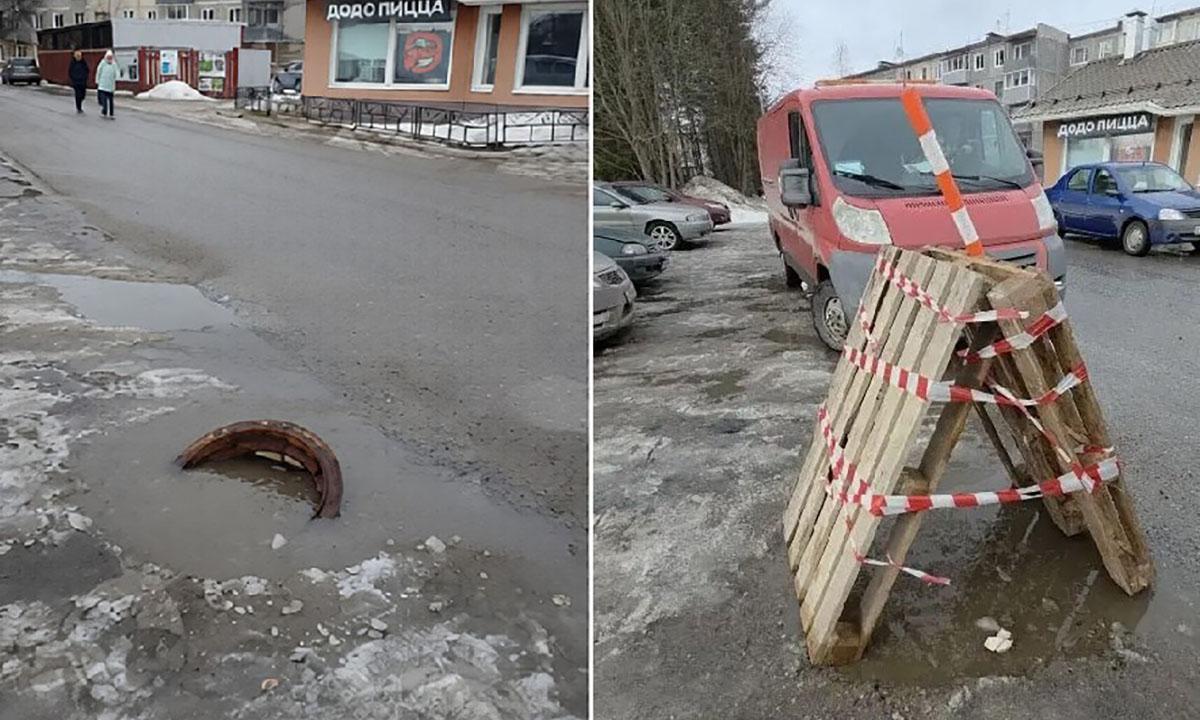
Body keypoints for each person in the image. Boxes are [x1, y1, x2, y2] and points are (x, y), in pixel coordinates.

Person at [95, 50, 117, 120]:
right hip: (103, 85)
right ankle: (104, 112)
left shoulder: (114, 64)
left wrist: (115, 81)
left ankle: (111, 114)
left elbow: (116, 73)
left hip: (110, 86)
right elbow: (98, 72)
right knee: (104, 100)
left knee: (111, 101)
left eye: (111, 57)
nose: (109, 58)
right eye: (108, 57)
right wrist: (97, 80)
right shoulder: (102, 63)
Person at [68, 49, 89, 114]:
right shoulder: (73, 63)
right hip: (76, 82)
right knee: (78, 95)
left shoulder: (83, 62)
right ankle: (79, 107)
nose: (78, 57)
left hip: (83, 81)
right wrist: (73, 79)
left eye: (79, 56)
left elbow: (87, 70)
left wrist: (85, 76)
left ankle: (81, 100)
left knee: (83, 94)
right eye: (77, 56)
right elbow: (70, 71)